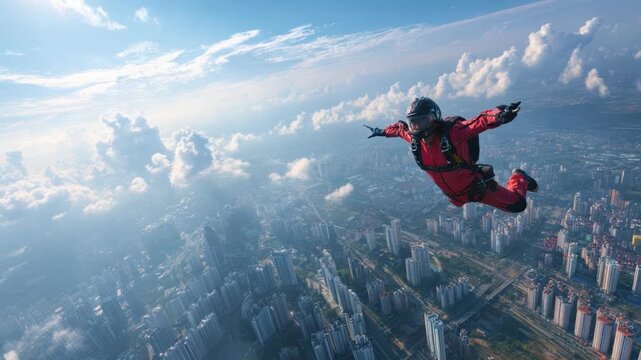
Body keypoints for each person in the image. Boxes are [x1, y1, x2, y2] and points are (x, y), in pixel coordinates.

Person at [364, 97, 537, 213]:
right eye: (414, 123)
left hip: (479, 189)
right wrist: (381, 131)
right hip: (456, 198)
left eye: (422, 121)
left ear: (434, 118)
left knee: (518, 205)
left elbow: (477, 122)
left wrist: (499, 116)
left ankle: (519, 176)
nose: (418, 127)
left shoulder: (453, 133)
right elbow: (400, 129)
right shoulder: (415, 140)